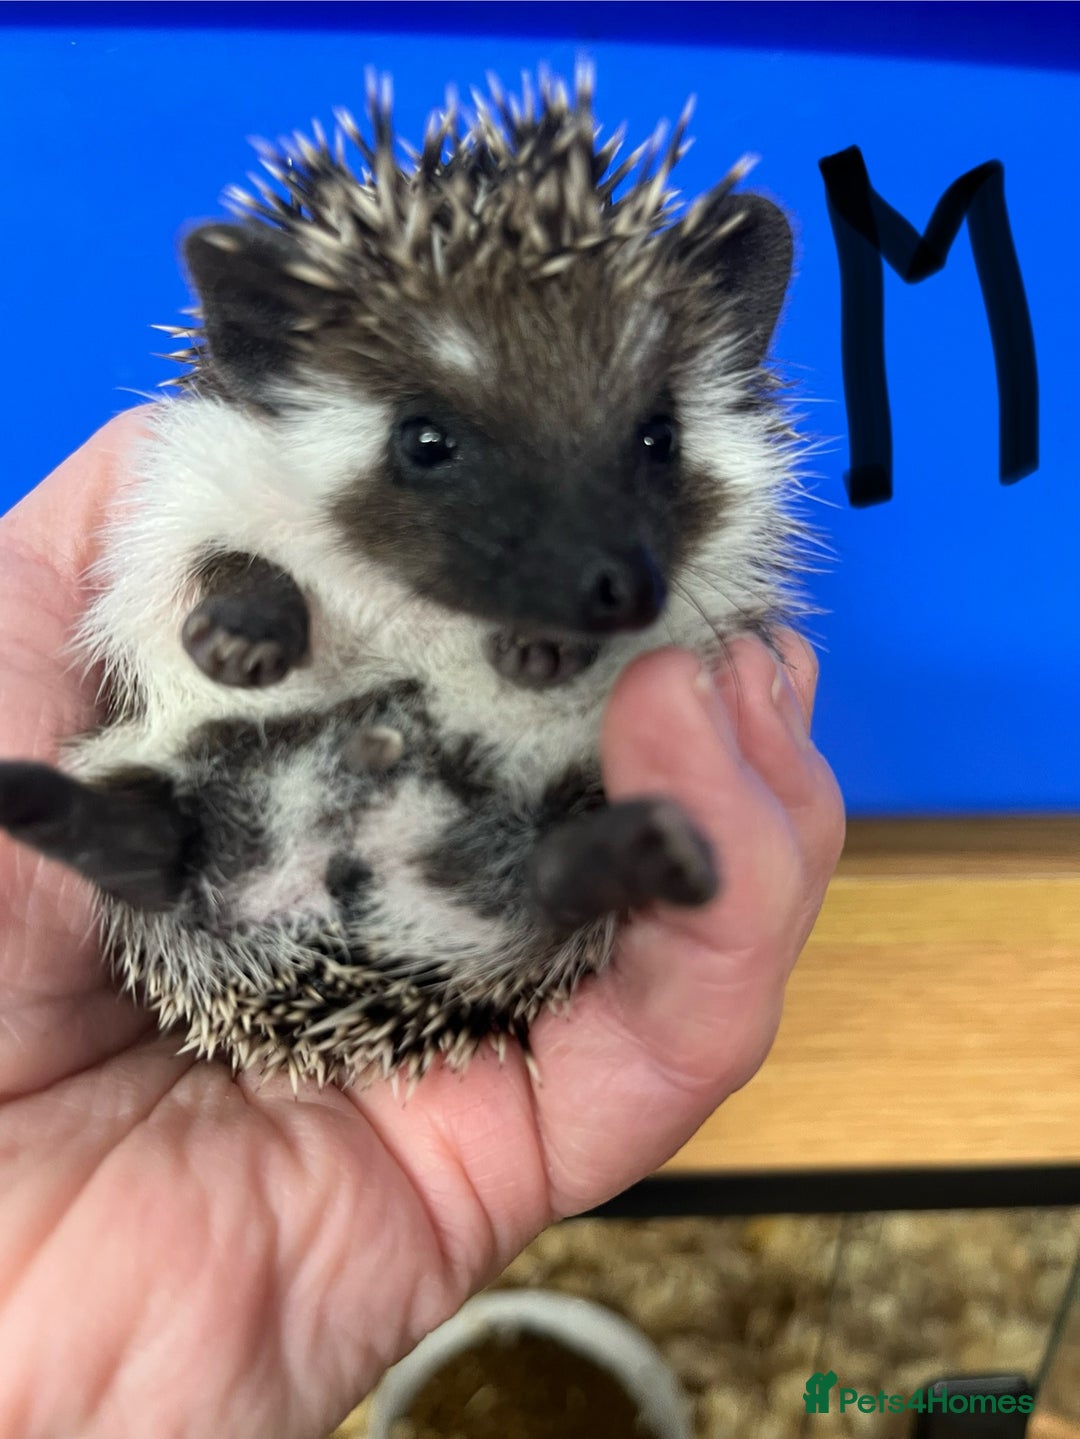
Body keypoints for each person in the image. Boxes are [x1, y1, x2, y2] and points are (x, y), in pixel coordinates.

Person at [0, 411, 845, 1438]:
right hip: (279, 799)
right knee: (230, 678)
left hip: (423, 822)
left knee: (584, 743)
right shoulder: (255, 463)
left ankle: (528, 865)